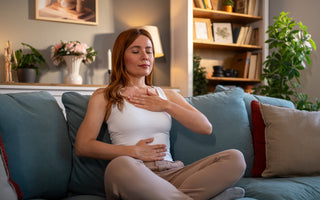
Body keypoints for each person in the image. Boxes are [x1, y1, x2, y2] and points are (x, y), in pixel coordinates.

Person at [75, 28, 246, 200]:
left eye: (149, 51)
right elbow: (83, 146)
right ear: (121, 57)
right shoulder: (104, 96)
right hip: (133, 173)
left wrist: (165, 105)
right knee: (119, 164)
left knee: (235, 158)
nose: (145, 56)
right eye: (136, 51)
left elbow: (205, 127)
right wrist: (133, 151)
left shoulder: (168, 95)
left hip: (172, 173)